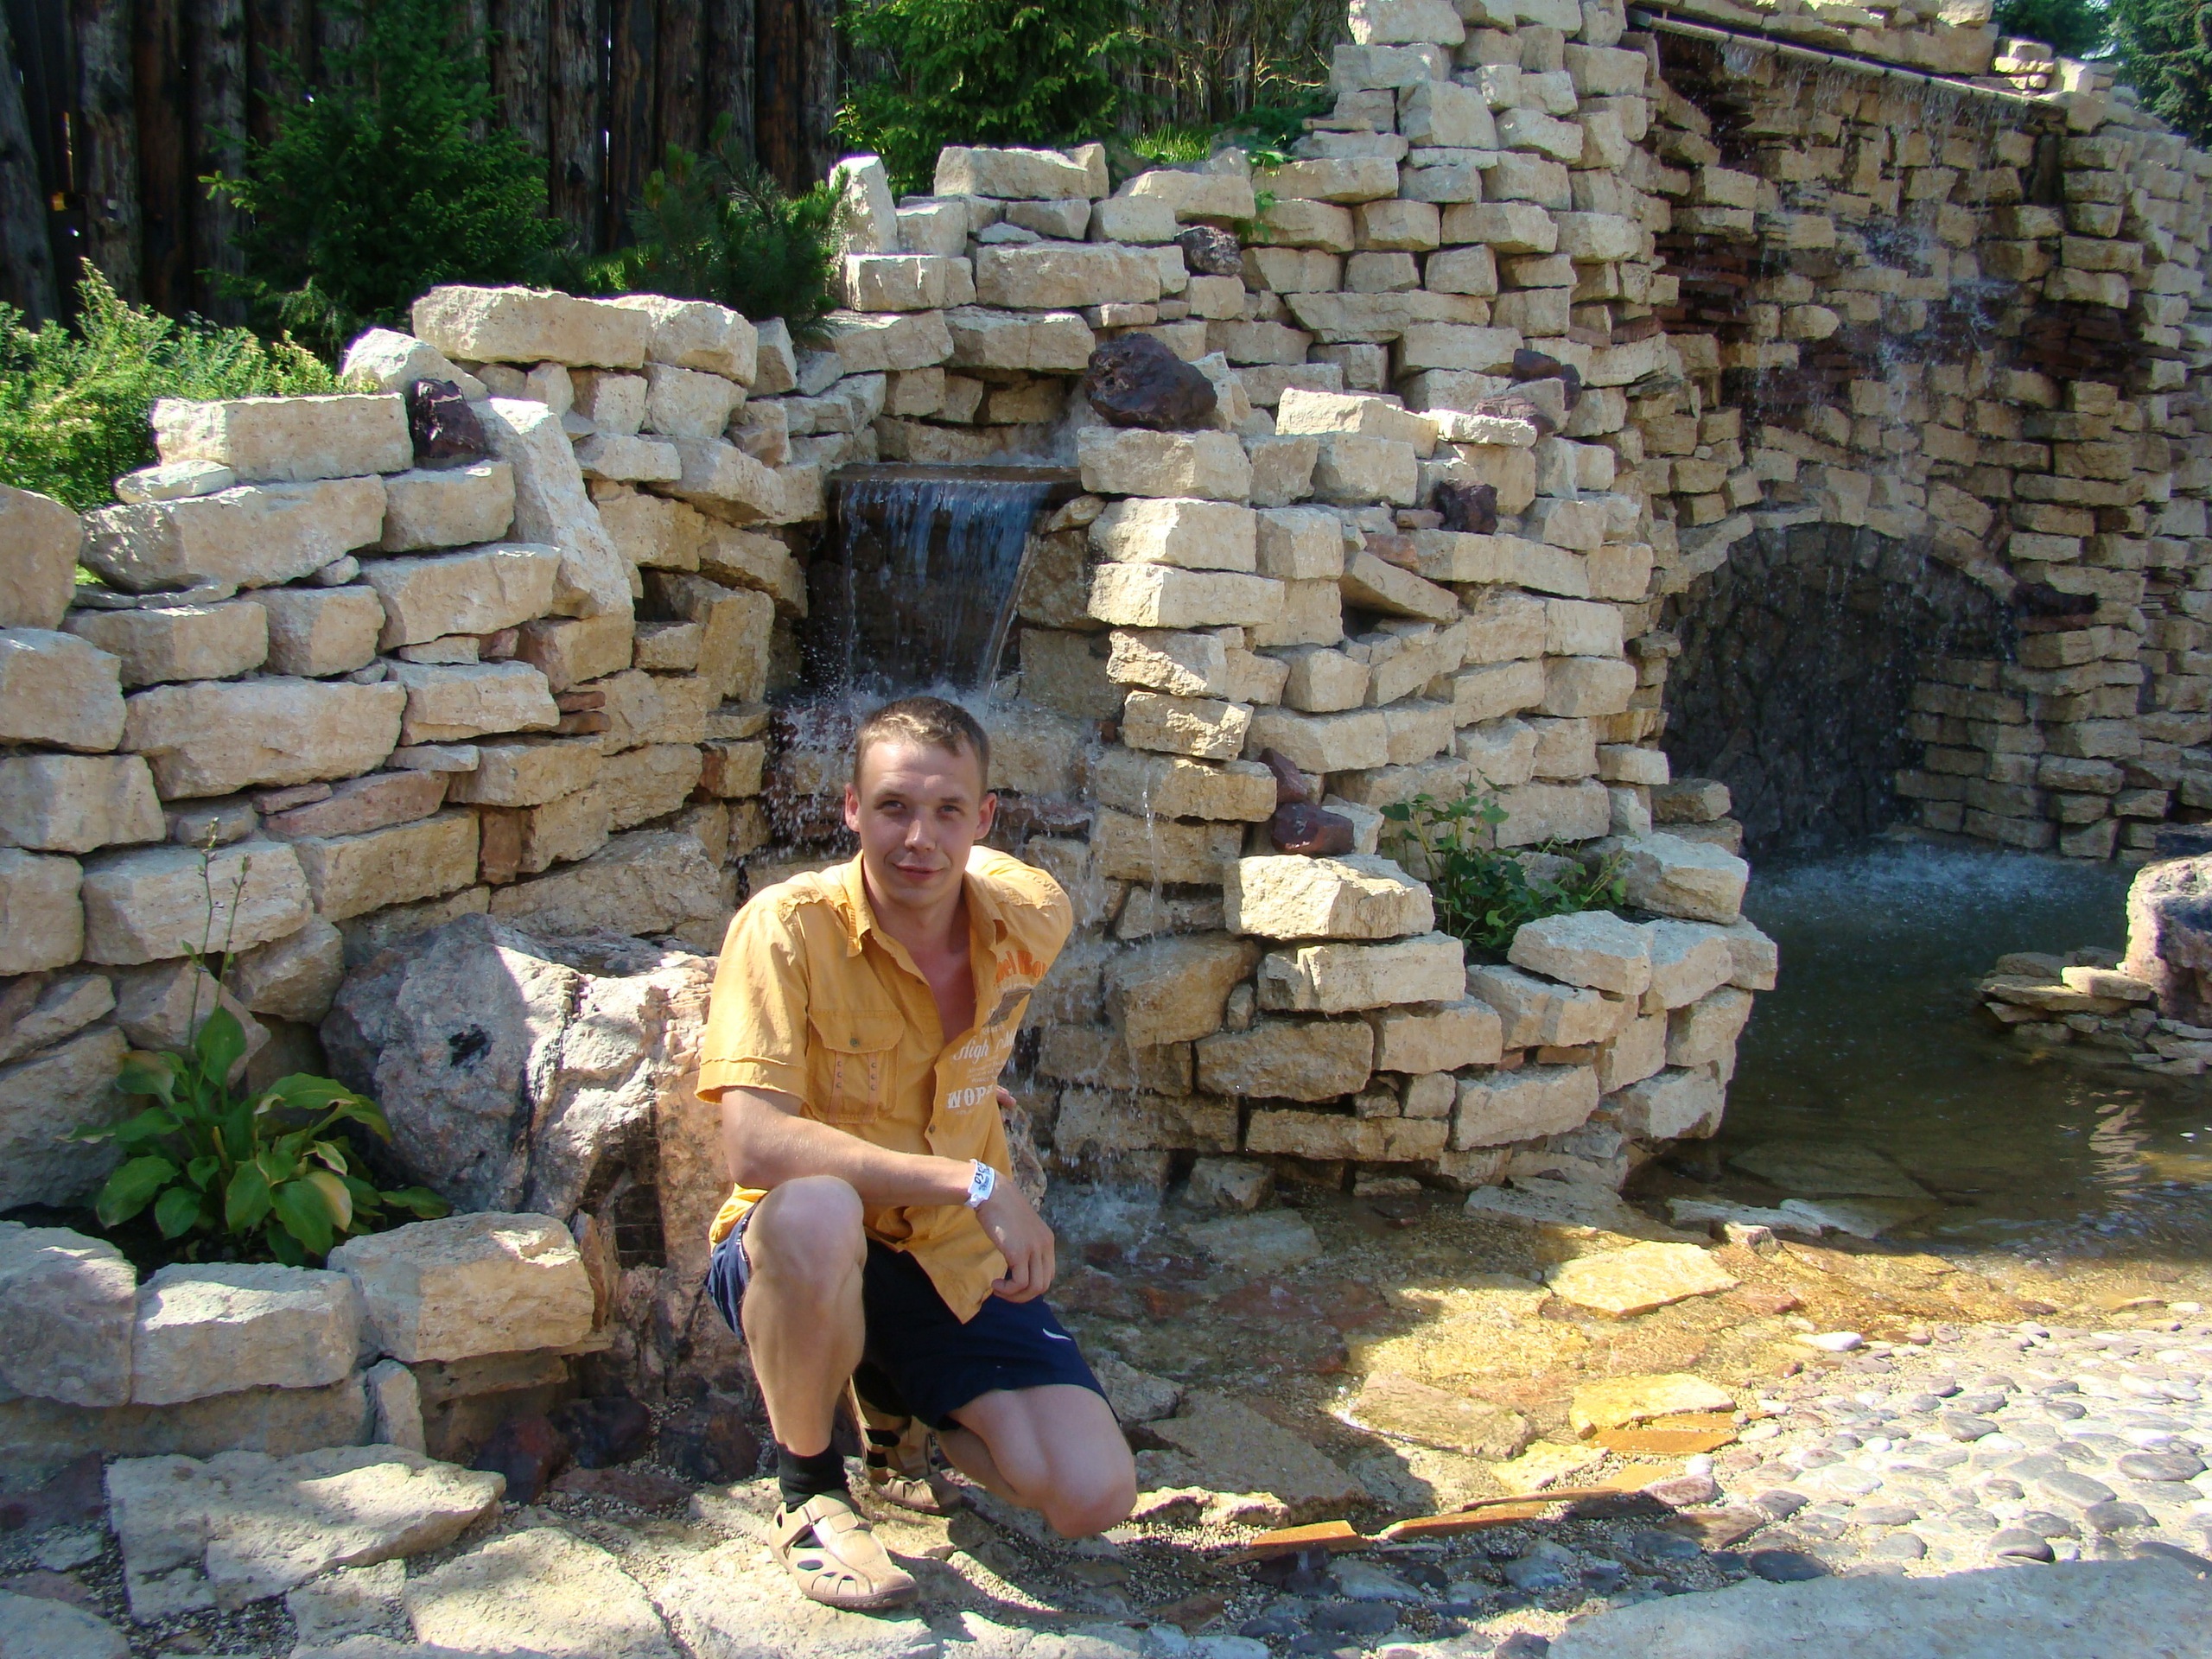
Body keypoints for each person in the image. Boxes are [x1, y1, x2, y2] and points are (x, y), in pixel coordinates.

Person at [696, 695, 1135, 1611]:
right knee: (818, 1208)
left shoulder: (1031, 915)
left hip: (944, 1255)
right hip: (802, 1245)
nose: (918, 840)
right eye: (893, 807)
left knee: (1091, 1496)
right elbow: (755, 1143)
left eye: (947, 812)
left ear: (985, 818)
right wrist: (973, 1179)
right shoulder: (785, 927)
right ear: (852, 808)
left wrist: (963, 1082)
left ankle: (898, 1407)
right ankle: (809, 1489)